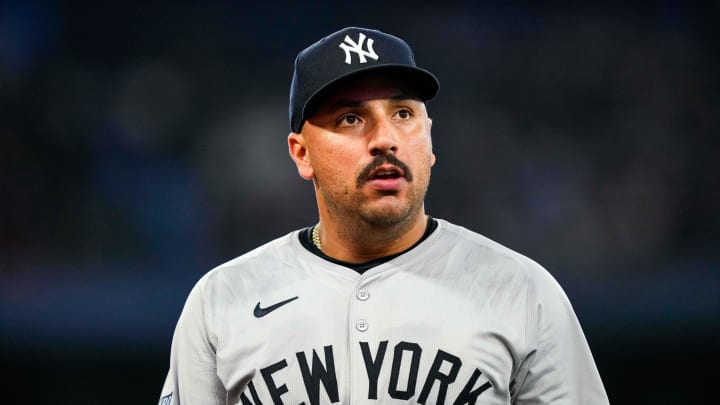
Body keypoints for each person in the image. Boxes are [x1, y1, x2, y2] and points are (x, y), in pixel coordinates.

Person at [158, 26, 609, 405]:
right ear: (302, 153)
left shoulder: (523, 292)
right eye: (351, 119)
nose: (385, 139)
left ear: (429, 140)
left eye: (403, 112)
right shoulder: (221, 300)